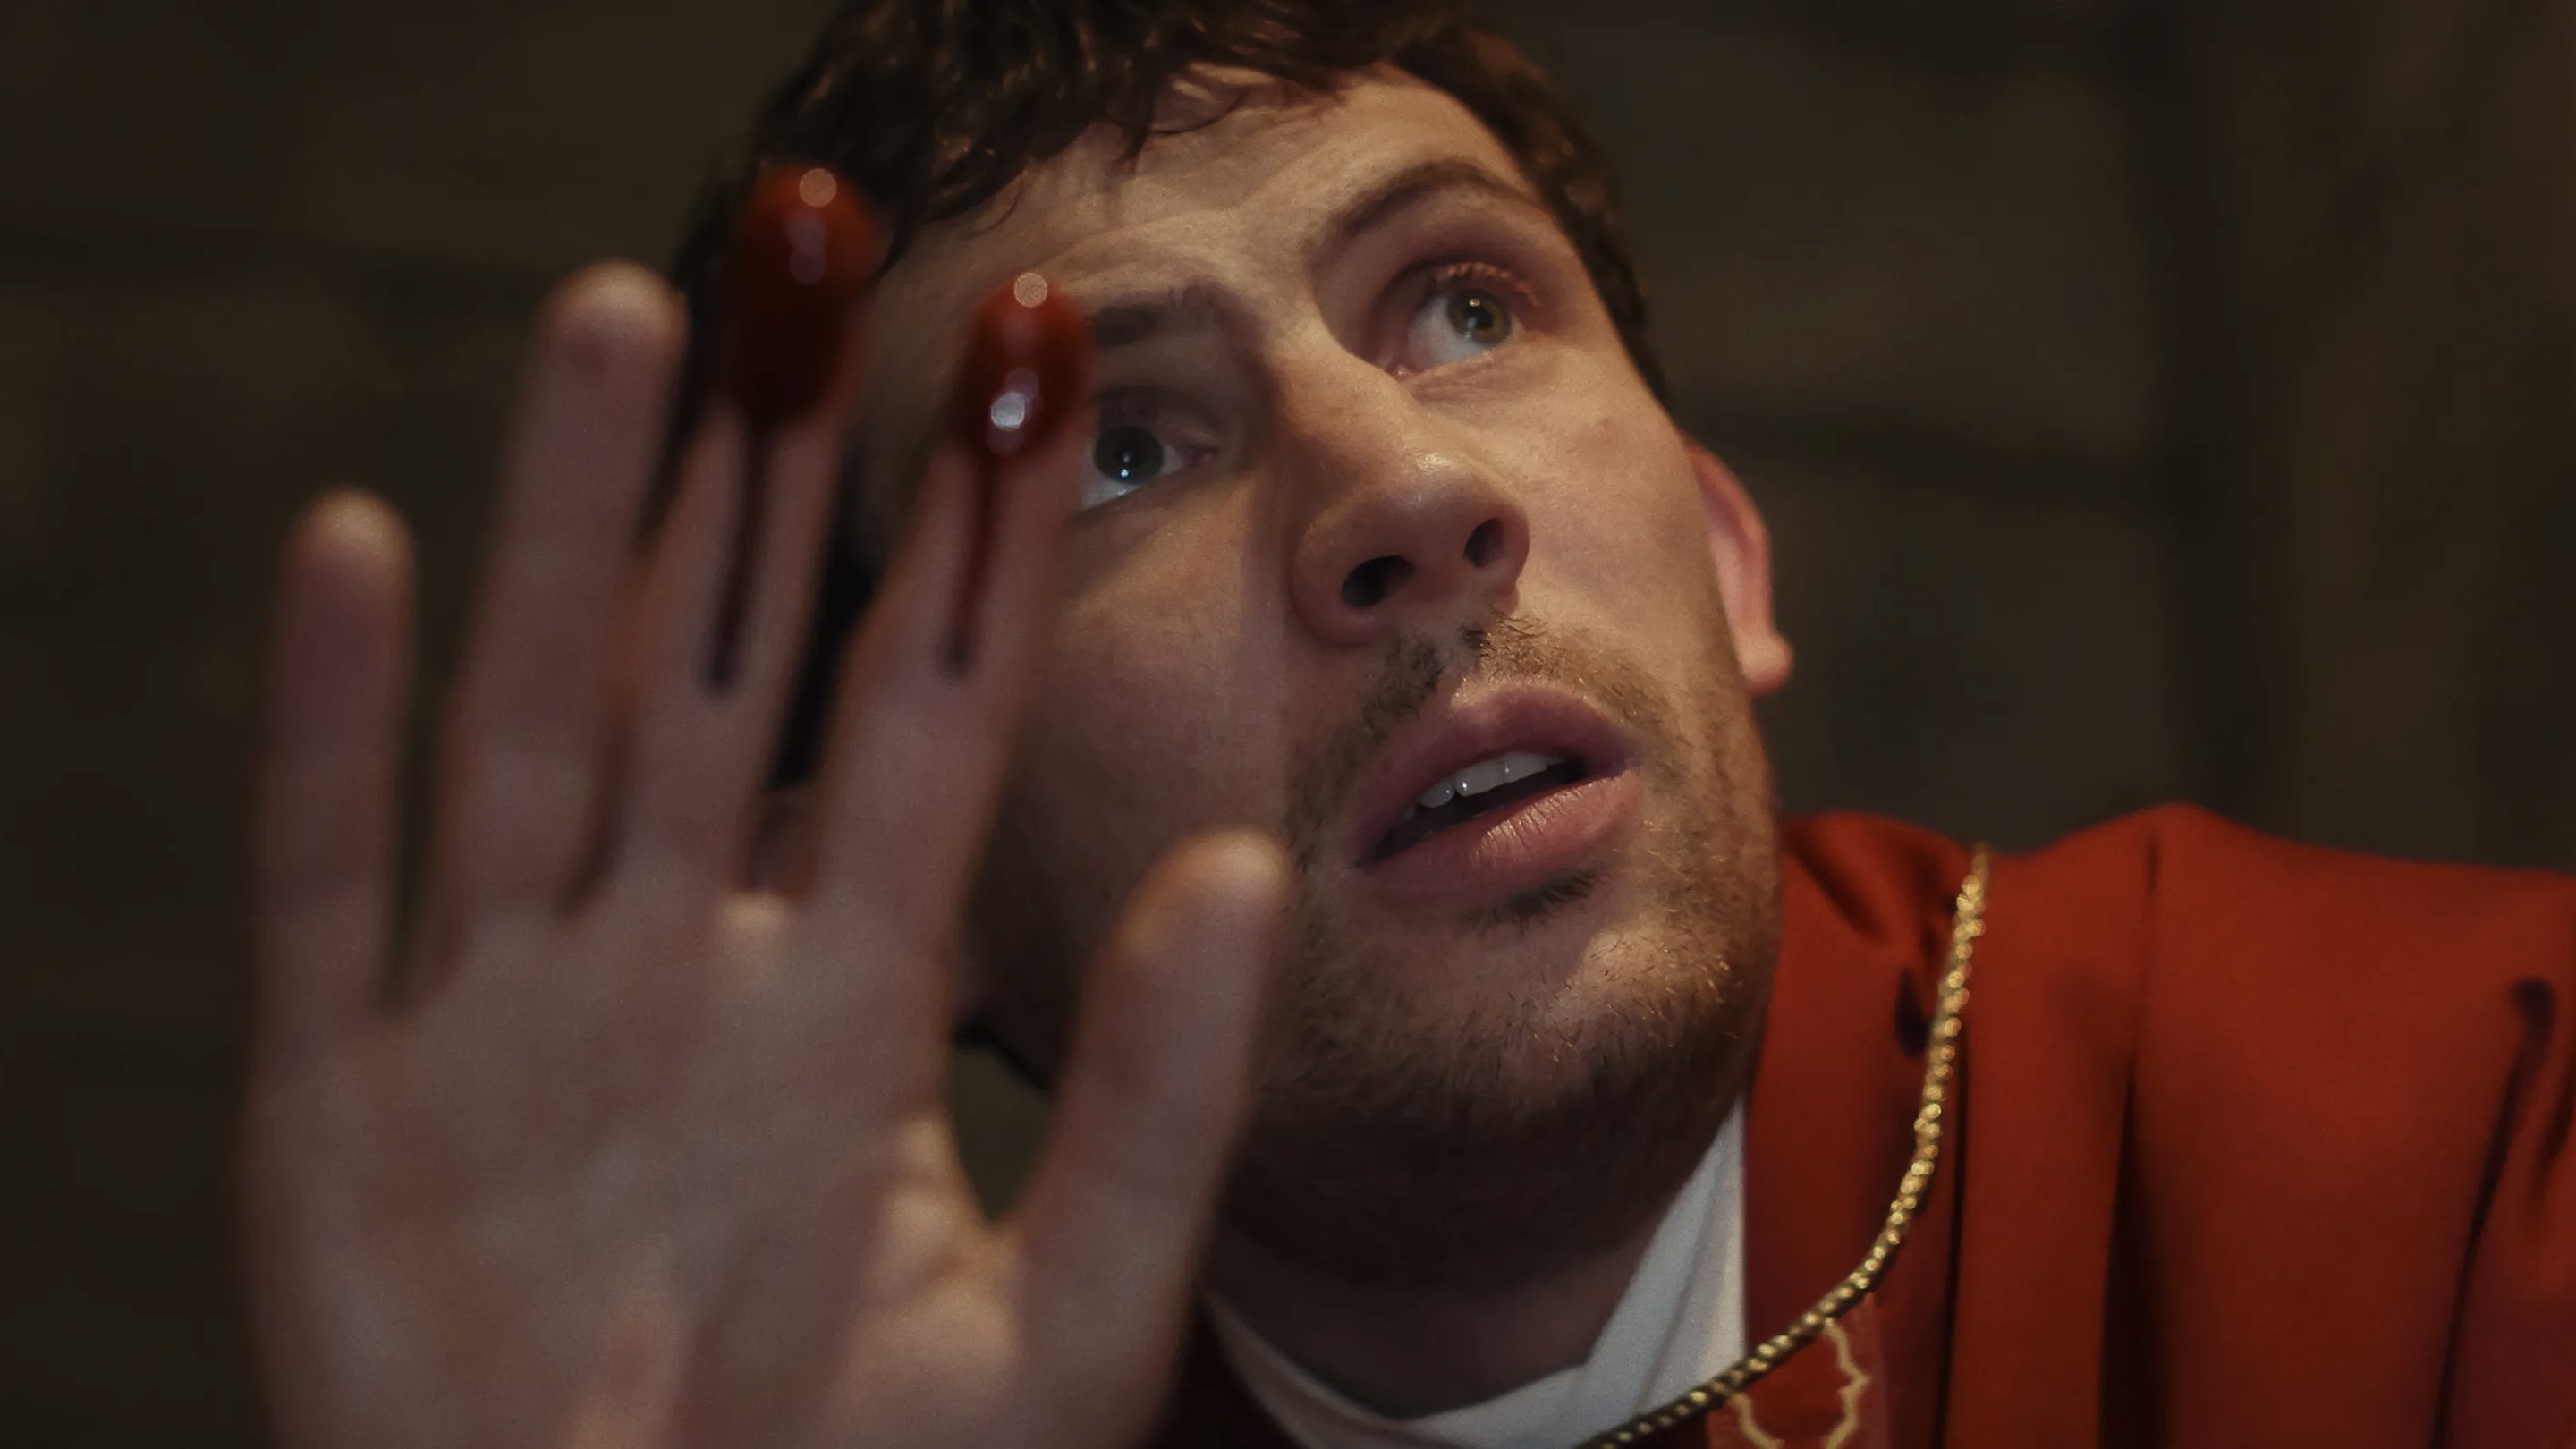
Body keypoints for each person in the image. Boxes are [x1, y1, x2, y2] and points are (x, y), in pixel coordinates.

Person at [239, 2, 2576, 1445]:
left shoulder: (2462, 1122)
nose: (1409, 496)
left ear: (1727, 555)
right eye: (1118, 452)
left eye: (1463, 306)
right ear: (878, 879)